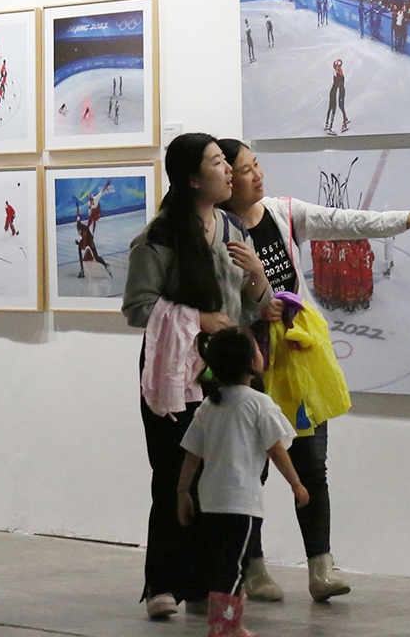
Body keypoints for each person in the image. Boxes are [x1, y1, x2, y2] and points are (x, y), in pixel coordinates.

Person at [216, 138, 410, 602]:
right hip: (249, 362)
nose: (258, 174)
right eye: (246, 169)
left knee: (312, 465)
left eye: (258, 165)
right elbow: (221, 300)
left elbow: (343, 222)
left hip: (299, 356)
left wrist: (404, 219)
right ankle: (252, 567)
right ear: (226, 180)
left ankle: (321, 567)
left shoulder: (281, 212)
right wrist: (255, 307)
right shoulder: (218, 232)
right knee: (252, 468)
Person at [122, 133, 271, 620]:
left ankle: (206, 582)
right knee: (174, 475)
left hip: (222, 373)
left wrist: (257, 277)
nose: (228, 170)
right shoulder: (161, 235)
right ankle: (162, 582)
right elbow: (138, 306)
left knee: (217, 477)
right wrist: (198, 320)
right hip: (173, 372)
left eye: (227, 162)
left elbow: (252, 305)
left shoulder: (232, 227)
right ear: (191, 178)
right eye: (216, 162)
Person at [177, 326, 305, 637]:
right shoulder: (259, 403)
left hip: (210, 502)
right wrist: (296, 484)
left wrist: (182, 491)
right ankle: (222, 626)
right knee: (235, 568)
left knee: (225, 564)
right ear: (250, 362)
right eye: (257, 349)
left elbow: (192, 454)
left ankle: (230, 625)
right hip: (241, 503)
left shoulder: (209, 405)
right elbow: (277, 449)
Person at [325, 59, 349, 134]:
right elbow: (338, 84)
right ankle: (329, 126)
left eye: (339, 66)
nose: (338, 68)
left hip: (338, 92)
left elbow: (340, 84)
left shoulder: (340, 72)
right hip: (334, 93)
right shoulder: (337, 73)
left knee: (340, 107)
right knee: (332, 108)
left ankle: (344, 121)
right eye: (336, 66)